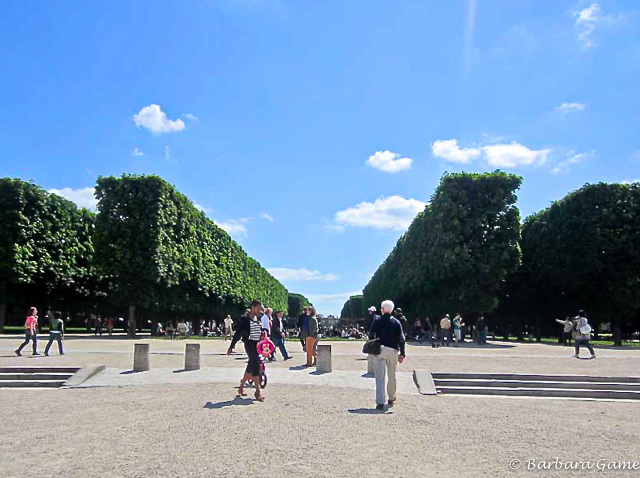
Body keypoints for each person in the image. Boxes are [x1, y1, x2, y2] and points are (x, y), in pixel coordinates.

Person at [369, 300, 406, 411]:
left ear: (383, 309)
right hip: (393, 350)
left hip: (380, 349)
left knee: (379, 377)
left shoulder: (377, 320)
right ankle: (391, 397)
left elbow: (371, 335)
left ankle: (380, 402)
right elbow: (401, 339)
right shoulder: (396, 322)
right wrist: (402, 353)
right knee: (391, 375)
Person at [227, 300, 265, 401]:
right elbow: (238, 332)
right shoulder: (244, 318)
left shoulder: (258, 317)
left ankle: (241, 387)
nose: (260, 310)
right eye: (258, 308)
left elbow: (258, 329)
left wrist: (262, 334)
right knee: (256, 364)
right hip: (249, 344)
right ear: (253, 307)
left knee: (251, 366)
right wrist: (232, 346)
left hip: (257, 344)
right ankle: (257, 392)